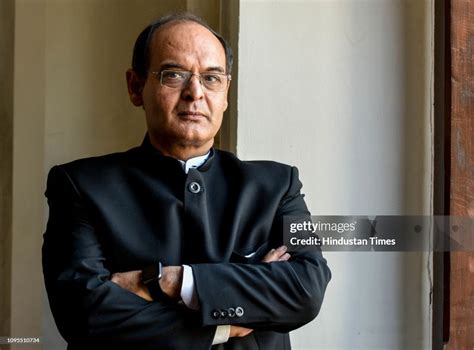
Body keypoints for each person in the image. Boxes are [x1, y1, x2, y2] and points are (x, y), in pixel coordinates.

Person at [42, 12, 331, 350]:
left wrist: (171, 280)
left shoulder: (278, 185)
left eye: (212, 78)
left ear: (225, 94)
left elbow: (305, 291)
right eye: (174, 74)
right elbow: (83, 314)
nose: (195, 93)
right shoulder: (81, 185)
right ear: (136, 87)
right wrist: (224, 323)